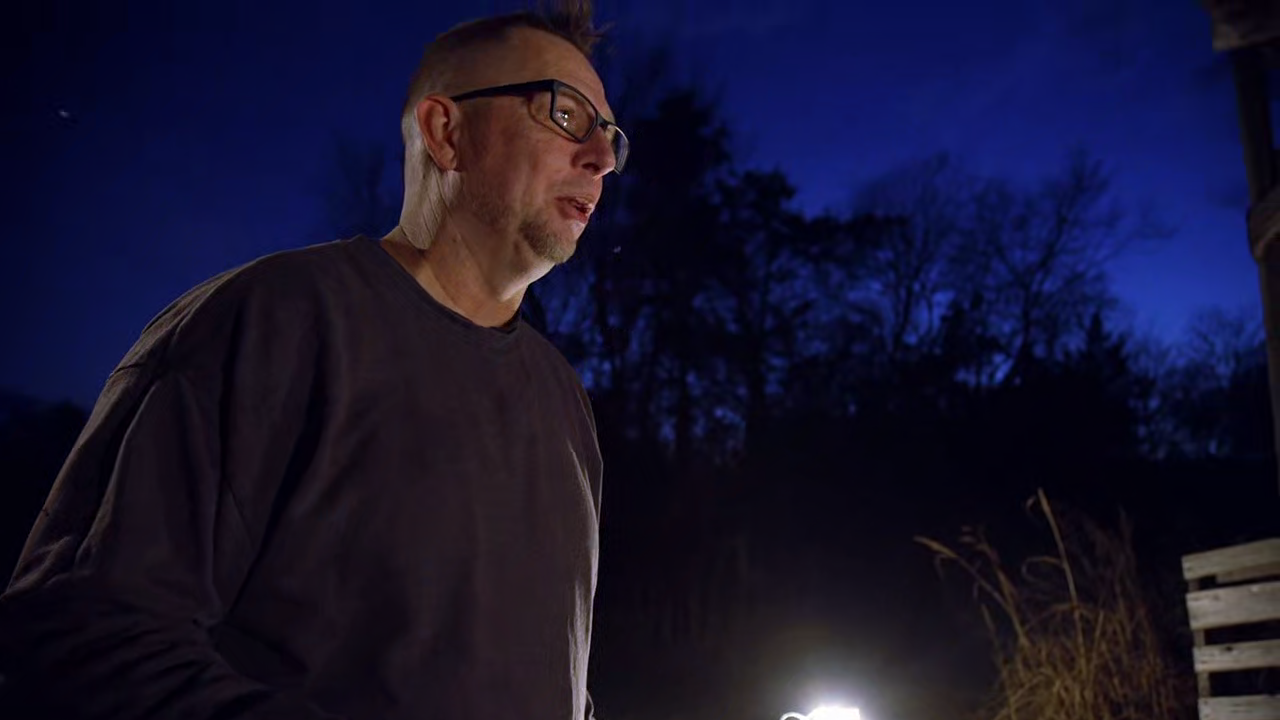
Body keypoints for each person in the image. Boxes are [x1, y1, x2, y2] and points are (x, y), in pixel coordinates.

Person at [0, 1, 628, 718]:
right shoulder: (273, 324)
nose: (603, 158)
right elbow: (82, 642)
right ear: (445, 132)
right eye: (566, 115)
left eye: (611, 137)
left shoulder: (563, 401)